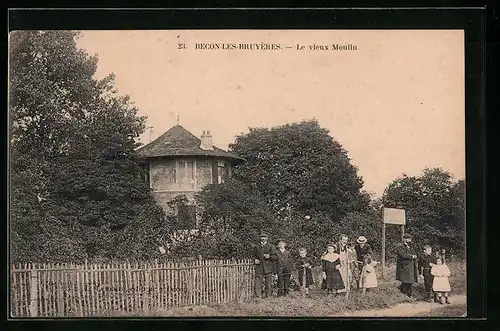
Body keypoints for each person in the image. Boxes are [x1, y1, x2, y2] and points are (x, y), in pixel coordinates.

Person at [253, 232, 278, 298]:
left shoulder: (271, 247)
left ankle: (268, 296)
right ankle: (258, 296)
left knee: (268, 283)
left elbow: (276, 257)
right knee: (258, 283)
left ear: (267, 238)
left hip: (268, 267)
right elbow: (253, 256)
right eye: (262, 237)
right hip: (259, 267)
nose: (263, 239)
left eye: (264, 237)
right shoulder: (256, 247)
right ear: (260, 238)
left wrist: (269, 256)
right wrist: (254, 260)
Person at [395, 233, 419, 297]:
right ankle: (405, 294)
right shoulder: (400, 246)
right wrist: (412, 256)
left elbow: (415, 253)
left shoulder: (410, 246)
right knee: (405, 280)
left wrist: (415, 255)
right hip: (404, 266)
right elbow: (402, 255)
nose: (410, 241)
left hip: (410, 266)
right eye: (409, 239)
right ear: (405, 239)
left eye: (410, 239)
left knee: (410, 280)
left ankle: (408, 294)